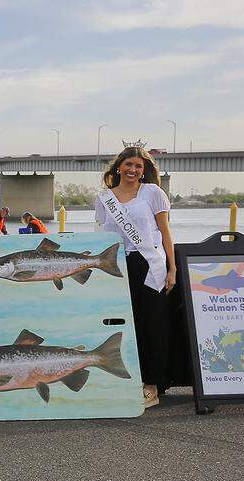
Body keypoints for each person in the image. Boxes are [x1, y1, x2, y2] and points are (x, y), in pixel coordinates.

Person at [93, 146, 176, 408]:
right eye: (128, 164)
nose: (133, 170)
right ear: (119, 167)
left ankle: (152, 385)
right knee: (121, 325)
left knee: (152, 325)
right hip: (117, 266)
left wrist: (172, 268)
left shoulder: (152, 193)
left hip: (149, 266)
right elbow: (100, 236)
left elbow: (165, 233)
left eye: (138, 166)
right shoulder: (105, 199)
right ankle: (125, 381)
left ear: (144, 170)